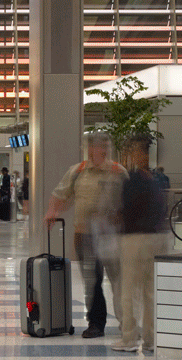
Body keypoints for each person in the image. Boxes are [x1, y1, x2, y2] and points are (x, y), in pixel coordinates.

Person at [46, 132, 127, 339]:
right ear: (91, 149)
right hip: (84, 235)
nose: (104, 149)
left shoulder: (119, 172)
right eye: (100, 145)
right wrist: (52, 212)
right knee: (93, 280)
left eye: (106, 145)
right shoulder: (78, 171)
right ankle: (96, 323)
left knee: (118, 279)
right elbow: (60, 193)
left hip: (111, 236)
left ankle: (127, 322)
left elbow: (130, 202)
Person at [113, 138, 170, 355]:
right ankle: (150, 340)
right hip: (156, 239)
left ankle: (129, 339)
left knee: (128, 292)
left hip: (134, 240)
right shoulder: (158, 180)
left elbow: (123, 210)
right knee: (150, 293)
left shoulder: (132, 180)